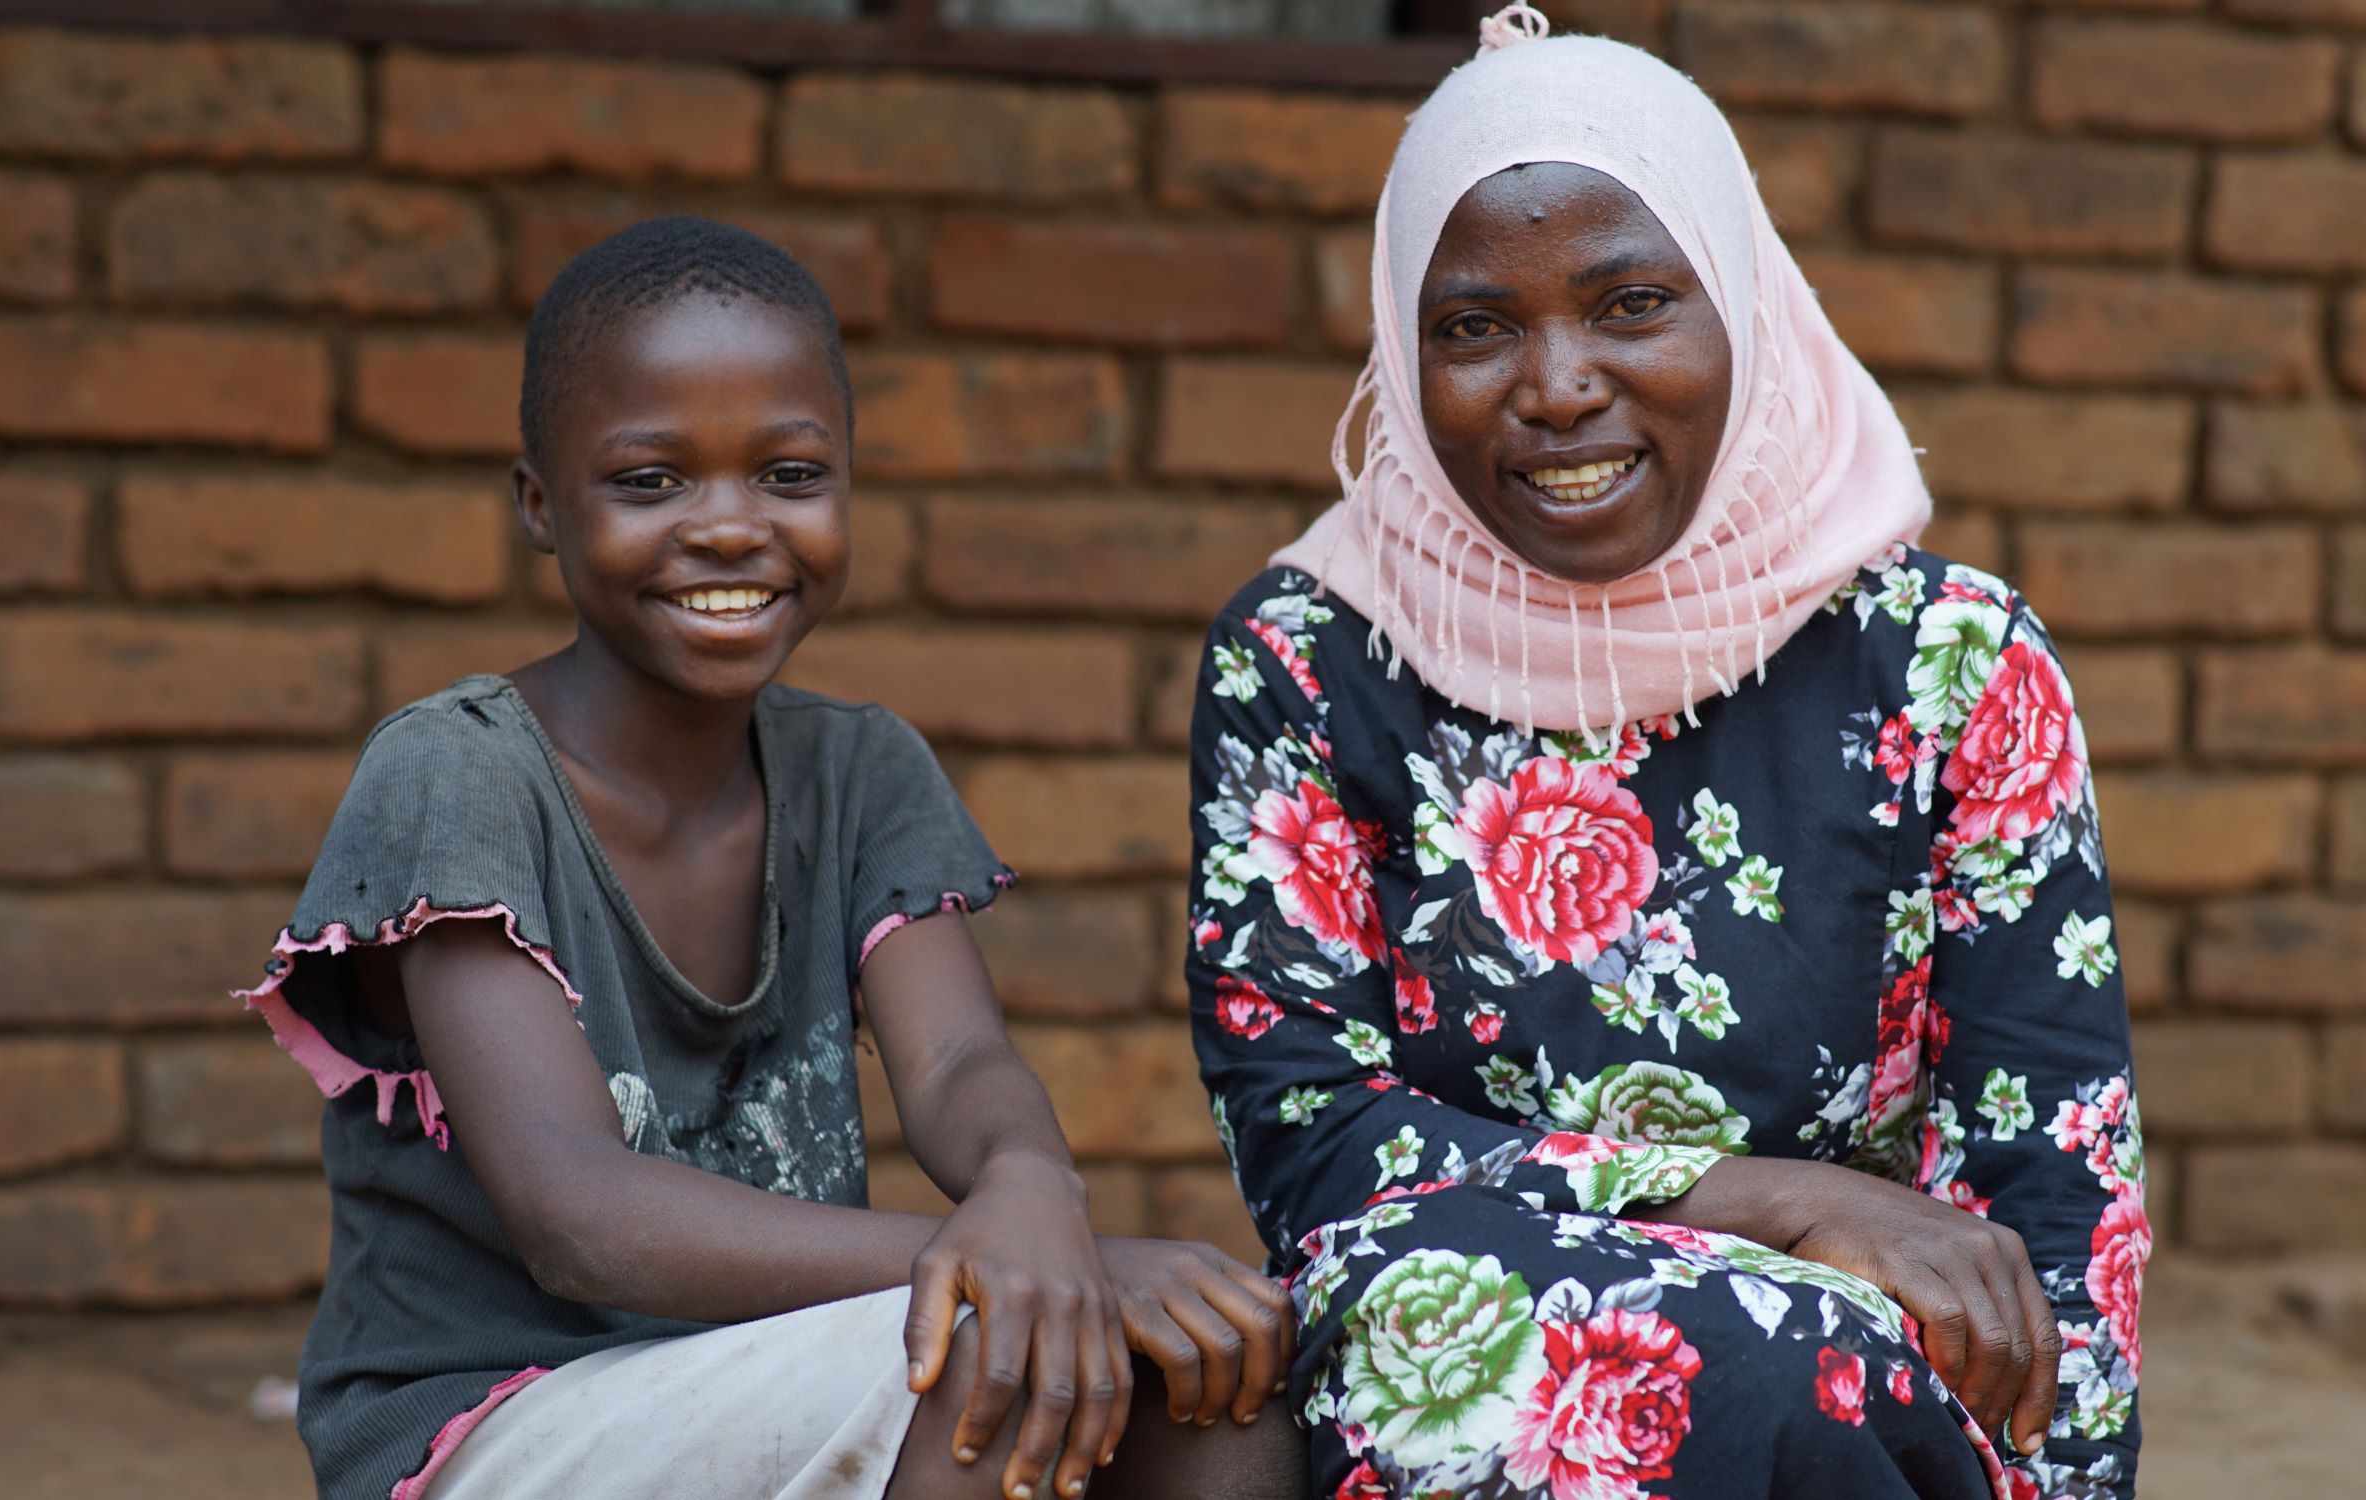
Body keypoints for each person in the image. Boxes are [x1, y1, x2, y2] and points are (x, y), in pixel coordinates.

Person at [1186, 12, 2146, 1500]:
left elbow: (2053, 1185)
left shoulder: (1951, 665)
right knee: (1606, 1352)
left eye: (1629, 303)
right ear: (1399, 344)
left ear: (1743, 304)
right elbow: (1315, 1143)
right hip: (1460, 1358)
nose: (1557, 384)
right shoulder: (1311, 661)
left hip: (1869, 1401)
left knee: (1791, 1377)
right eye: (1473, 326)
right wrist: (1774, 1206)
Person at [239, 217, 1303, 1500]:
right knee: (988, 1370)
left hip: (772, 1371)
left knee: (1207, 1391)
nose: (732, 528)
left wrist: (1030, 1189)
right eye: (651, 482)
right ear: (539, 505)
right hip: (493, 1422)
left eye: (790, 475)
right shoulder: (458, 778)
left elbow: (959, 1060)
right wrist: (992, 1258)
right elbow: (576, 1216)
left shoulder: (859, 771)